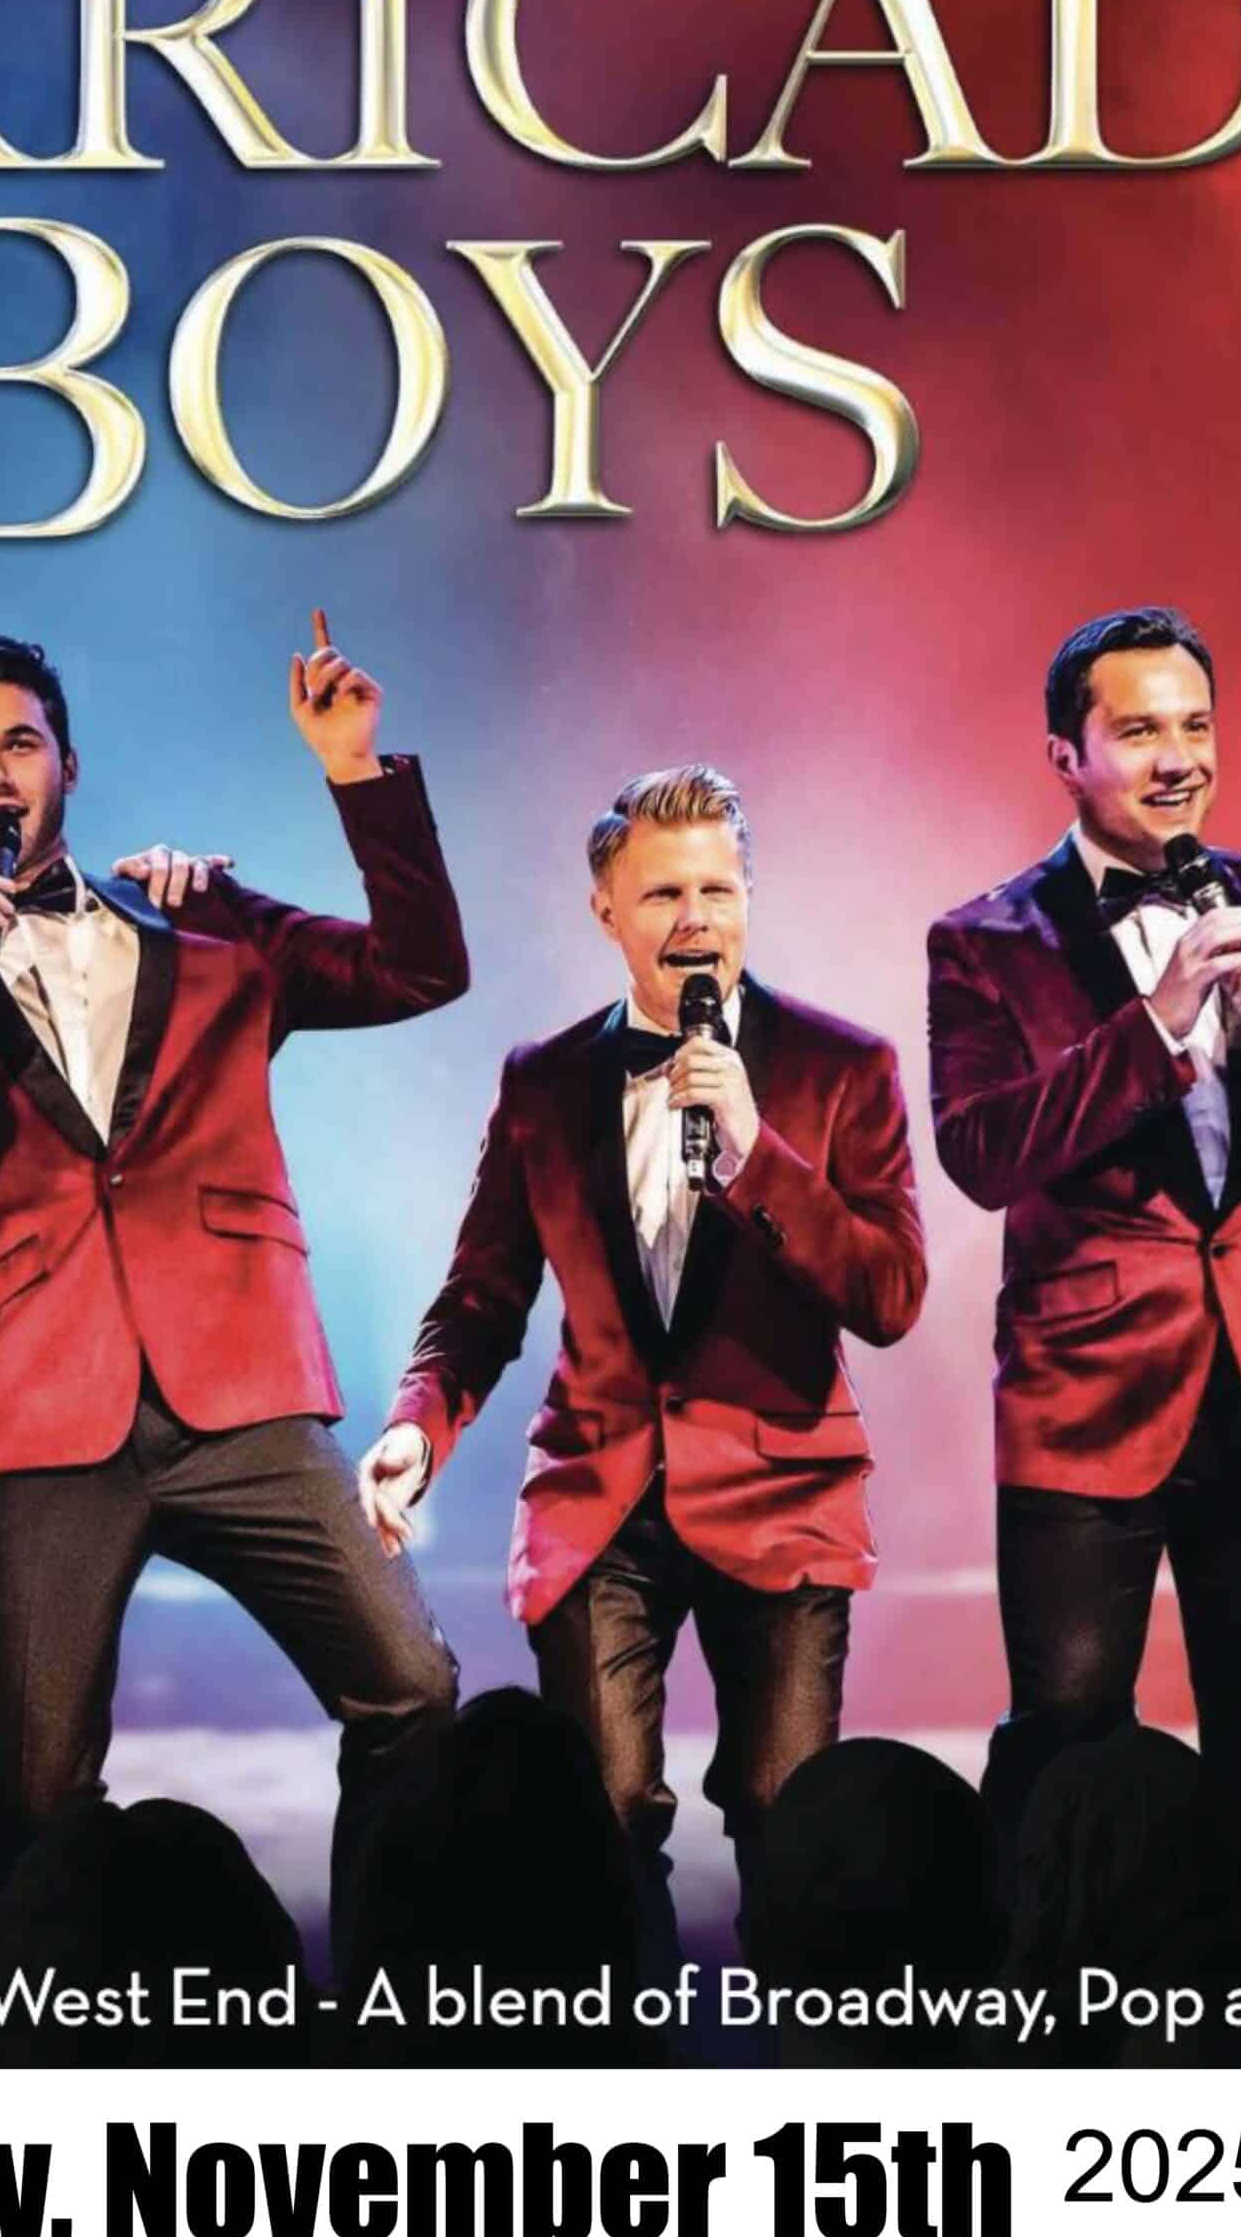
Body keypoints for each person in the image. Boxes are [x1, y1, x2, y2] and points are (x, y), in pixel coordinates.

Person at [0, 615, 465, 1911]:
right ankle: (63, 2050)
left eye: (20, 741)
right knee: (40, 1785)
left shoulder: (209, 920)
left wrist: (354, 767)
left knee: (413, 1688)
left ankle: (394, 1994)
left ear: (68, 762)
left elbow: (419, 967)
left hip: (244, 1393)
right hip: (44, 1415)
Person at [358, 764, 926, 1979]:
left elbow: (890, 1295)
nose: (695, 918)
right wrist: (419, 1427)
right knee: (599, 1828)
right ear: (603, 908)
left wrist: (759, 1154)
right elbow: (481, 1297)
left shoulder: (841, 1067)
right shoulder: (545, 1080)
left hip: (780, 1493)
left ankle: (808, 2086)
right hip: (599, 1496)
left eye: (718, 889)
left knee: (791, 1818)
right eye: (663, 892)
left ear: (750, 903)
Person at [927, 603, 1241, 1933]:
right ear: (1065, 752)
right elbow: (984, 1151)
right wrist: (1153, 1030)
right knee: (1069, 1741)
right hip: (1088, 1398)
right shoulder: (985, 941)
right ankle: (1045, 2025)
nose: (1177, 757)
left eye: (1195, 724)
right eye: (1139, 728)